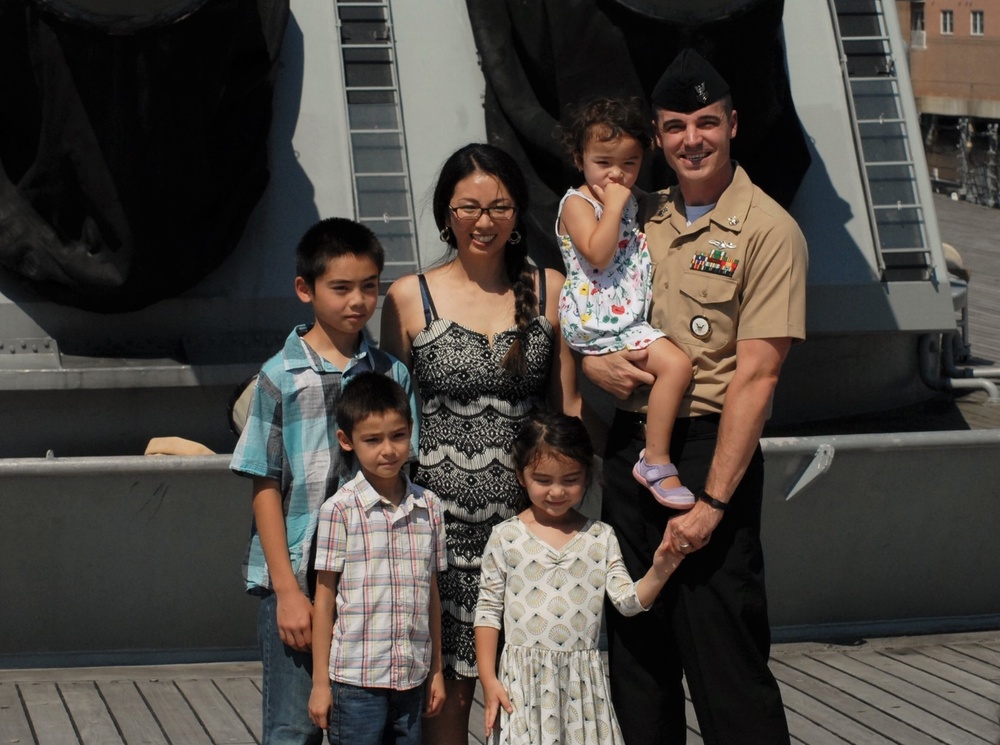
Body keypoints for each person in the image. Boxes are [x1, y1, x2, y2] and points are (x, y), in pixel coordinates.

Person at [581, 49, 808, 744]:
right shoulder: (636, 218)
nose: (691, 140)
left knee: (726, 663)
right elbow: (591, 307)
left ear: (733, 124)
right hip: (631, 450)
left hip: (712, 453)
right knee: (638, 662)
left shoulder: (769, 231)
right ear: (657, 135)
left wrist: (712, 503)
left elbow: (757, 378)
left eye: (706, 123)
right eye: (675, 126)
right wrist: (594, 365)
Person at [379, 143, 582, 743]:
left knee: (527, 689)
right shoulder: (409, 296)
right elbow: (394, 418)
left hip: (526, 529)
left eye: (499, 207)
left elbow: (567, 410)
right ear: (447, 214)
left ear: (518, 214)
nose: (484, 221)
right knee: (446, 693)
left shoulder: (551, 289)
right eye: (469, 207)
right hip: (437, 532)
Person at [231, 217, 418, 745]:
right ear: (304, 290)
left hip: (372, 582)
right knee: (294, 726)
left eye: (368, 287)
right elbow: (264, 485)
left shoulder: (390, 376)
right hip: (298, 579)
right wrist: (287, 591)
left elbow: (403, 473)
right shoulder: (279, 377)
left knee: (371, 725)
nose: (357, 301)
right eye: (340, 288)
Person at [474, 410, 684, 744]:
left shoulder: (600, 537)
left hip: (581, 689)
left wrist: (662, 568)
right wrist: (488, 678)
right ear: (520, 475)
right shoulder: (505, 537)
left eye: (570, 479)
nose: (556, 491)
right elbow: (487, 610)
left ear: (587, 475)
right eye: (543, 480)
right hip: (520, 686)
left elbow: (627, 602)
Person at [556, 96, 694, 509]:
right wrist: (613, 206)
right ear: (579, 158)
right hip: (600, 319)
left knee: (671, 368)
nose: (616, 174)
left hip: (622, 314)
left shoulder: (634, 201)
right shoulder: (578, 204)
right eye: (603, 162)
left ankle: (654, 454)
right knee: (677, 365)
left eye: (629, 164)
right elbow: (598, 253)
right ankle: (655, 460)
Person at [308, 372, 446, 744]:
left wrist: (436, 670)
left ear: (411, 430)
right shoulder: (340, 509)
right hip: (356, 681)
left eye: (398, 436)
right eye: (372, 439)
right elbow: (324, 598)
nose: (388, 450)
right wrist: (321, 683)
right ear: (347, 441)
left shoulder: (429, 506)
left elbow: (431, 592)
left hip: (411, 676)